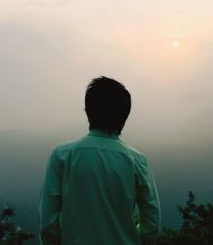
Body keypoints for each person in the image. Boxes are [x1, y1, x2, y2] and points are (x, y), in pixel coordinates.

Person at [38, 76, 161, 245]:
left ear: (88, 110)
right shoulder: (138, 161)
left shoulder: (62, 155)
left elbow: (48, 223)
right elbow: (152, 224)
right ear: (124, 116)